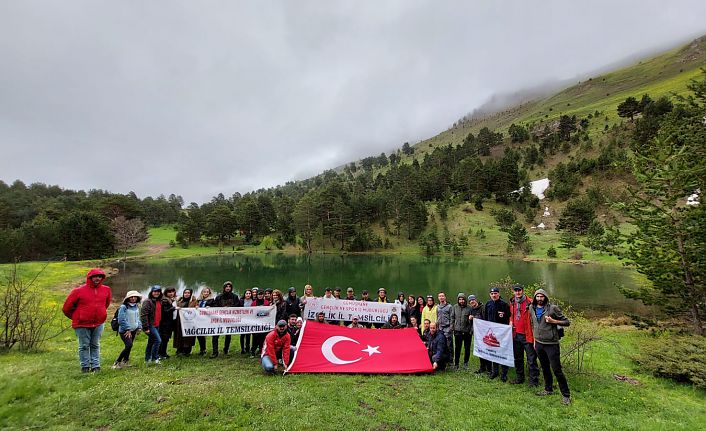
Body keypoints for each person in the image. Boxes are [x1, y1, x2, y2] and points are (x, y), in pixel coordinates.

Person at [62, 268, 112, 373]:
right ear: (90, 278)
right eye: (95, 276)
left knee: (95, 345)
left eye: (100, 276)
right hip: (82, 324)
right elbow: (66, 308)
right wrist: (78, 316)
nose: (97, 278)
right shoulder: (78, 291)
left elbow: (106, 304)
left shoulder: (106, 289)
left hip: (98, 323)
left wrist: (100, 314)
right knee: (84, 346)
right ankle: (85, 367)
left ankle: (96, 366)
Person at [530, 288, 572, 405]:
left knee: (557, 370)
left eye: (541, 296)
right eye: (537, 297)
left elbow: (567, 322)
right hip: (538, 343)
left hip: (551, 344)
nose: (539, 299)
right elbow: (533, 324)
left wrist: (553, 321)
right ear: (535, 298)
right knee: (544, 367)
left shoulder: (552, 308)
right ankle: (548, 389)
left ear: (545, 297)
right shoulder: (531, 308)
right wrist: (534, 340)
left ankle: (566, 395)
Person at [509, 284, 539, 387]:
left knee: (531, 359)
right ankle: (519, 378)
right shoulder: (512, 302)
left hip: (528, 335)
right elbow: (511, 316)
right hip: (516, 335)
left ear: (523, 290)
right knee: (518, 358)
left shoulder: (530, 302)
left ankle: (534, 381)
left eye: (519, 290)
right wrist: (511, 322)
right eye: (515, 291)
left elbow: (536, 320)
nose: (517, 292)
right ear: (513, 291)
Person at [485, 287, 511, 381]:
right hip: (492, 333)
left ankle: (504, 373)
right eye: (492, 294)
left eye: (495, 293)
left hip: (502, 333)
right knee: (494, 352)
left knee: (503, 352)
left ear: (499, 294)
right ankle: (495, 371)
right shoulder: (488, 304)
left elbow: (508, 318)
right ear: (490, 295)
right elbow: (485, 318)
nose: (494, 295)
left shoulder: (504, 305)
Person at [112, 290, 142, 369]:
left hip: (133, 330)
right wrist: (128, 329)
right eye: (131, 297)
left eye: (134, 297)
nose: (133, 298)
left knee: (129, 346)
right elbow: (121, 319)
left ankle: (125, 362)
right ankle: (116, 363)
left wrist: (139, 327)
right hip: (125, 331)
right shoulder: (123, 307)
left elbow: (137, 318)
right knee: (129, 345)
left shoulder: (136, 306)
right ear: (127, 298)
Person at [210, 281, 240, 358]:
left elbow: (238, 306)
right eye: (226, 287)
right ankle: (215, 352)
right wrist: (221, 309)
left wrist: (230, 308)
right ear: (224, 288)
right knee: (215, 335)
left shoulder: (235, 297)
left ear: (231, 288)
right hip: (219, 319)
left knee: (228, 335)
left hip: (230, 319)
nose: (228, 288)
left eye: (229, 287)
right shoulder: (219, 297)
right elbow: (214, 306)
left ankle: (226, 349)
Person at [141, 285, 164, 364]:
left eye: (158, 291)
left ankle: (147, 359)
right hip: (150, 325)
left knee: (151, 342)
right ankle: (155, 358)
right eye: (155, 291)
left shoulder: (159, 301)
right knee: (158, 340)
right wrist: (146, 327)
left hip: (157, 325)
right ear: (151, 292)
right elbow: (143, 315)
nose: (156, 293)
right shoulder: (147, 301)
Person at [468, 295, 490, 374]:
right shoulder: (471, 309)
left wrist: (474, 317)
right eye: (470, 301)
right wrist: (470, 319)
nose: (472, 302)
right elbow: (471, 322)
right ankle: (482, 367)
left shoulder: (482, 308)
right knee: (480, 350)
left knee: (486, 350)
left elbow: (485, 319)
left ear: (476, 300)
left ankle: (489, 368)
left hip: (484, 333)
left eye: (473, 300)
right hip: (476, 333)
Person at [450, 293, 472, 369]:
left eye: (463, 299)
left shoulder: (469, 308)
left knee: (467, 348)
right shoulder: (455, 307)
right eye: (460, 299)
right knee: (457, 348)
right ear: (458, 300)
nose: (461, 301)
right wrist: (452, 327)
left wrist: (470, 330)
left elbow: (472, 320)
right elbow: (452, 318)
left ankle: (466, 363)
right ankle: (456, 363)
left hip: (467, 332)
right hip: (457, 331)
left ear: (465, 300)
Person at [173, 288, 196, 356]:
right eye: (185, 293)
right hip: (179, 322)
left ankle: (187, 351)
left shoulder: (194, 301)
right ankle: (179, 350)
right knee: (179, 335)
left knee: (188, 336)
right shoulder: (179, 301)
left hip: (190, 323)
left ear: (190, 294)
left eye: (188, 293)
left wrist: (197, 307)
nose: (186, 294)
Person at [158, 287, 177, 359]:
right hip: (164, 323)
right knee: (163, 338)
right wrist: (174, 308)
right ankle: (160, 354)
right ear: (166, 293)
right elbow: (165, 311)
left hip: (169, 322)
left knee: (166, 339)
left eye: (173, 292)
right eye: (169, 292)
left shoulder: (171, 300)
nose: (171, 293)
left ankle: (164, 353)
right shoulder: (164, 300)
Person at [194, 287, 214, 355]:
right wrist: (196, 307)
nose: (206, 293)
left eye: (207, 292)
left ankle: (204, 349)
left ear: (209, 293)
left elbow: (215, 308)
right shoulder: (198, 300)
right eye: (204, 292)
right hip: (198, 319)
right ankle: (202, 349)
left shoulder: (211, 300)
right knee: (199, 335)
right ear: (202, 293)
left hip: (206, 320)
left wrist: (210, 308)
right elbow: (194, 307)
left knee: (203, 334)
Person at [437, 292, 453, 357]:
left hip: (447, 327)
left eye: (442, 296)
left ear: (445, 297)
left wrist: (451, 328)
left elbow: (452, 318)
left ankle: (451, 361)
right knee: (441, 344)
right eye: (440, 296)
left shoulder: (449, 306)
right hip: (440, 328)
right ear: (438, 298)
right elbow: (437, 316)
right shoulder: (437, 307)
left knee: (449, 345)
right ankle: (444, 359)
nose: (441, 297)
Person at [239, 289, 254, 354]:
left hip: (250, 320)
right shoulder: (241, 301)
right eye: (247, 293)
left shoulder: (253, 301)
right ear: (244, 294)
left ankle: (247, 348)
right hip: (242, 320)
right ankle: (242, 348)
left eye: (249, 293)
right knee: (242, 335)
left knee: (248, 335)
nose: (248, 295)